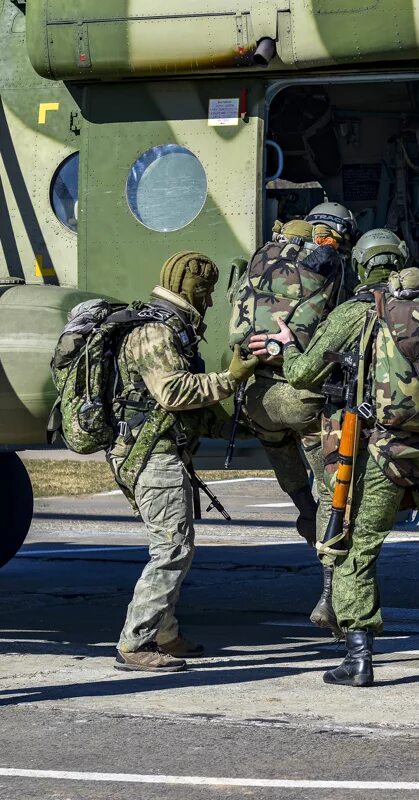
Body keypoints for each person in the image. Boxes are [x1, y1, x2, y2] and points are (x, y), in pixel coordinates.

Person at [247, 229, 419, 687]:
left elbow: (300, 373)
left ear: (360, 265)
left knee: (359, 550)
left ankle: (359, 659)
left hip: (382, 451)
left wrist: (284, 345)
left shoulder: (356, 313)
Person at [110, 252, 258, 672]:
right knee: (171, 549)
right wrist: (230, 379)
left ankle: (165, 634)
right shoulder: (156, 332)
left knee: (175, 546)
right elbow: (173, 393)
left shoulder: (175, 329)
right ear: (181, 284)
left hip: (161, 451)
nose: (209, 301)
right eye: (203, 290)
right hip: (150, 456)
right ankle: (135, 641)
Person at [229, 209, 354, 638]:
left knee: (296, 483)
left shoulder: (262, 256)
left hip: (253, 398)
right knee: (333, 493)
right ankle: (330, 597)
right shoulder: (327, 263)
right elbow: (335, 325)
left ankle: (303, 513)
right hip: (299, 397)